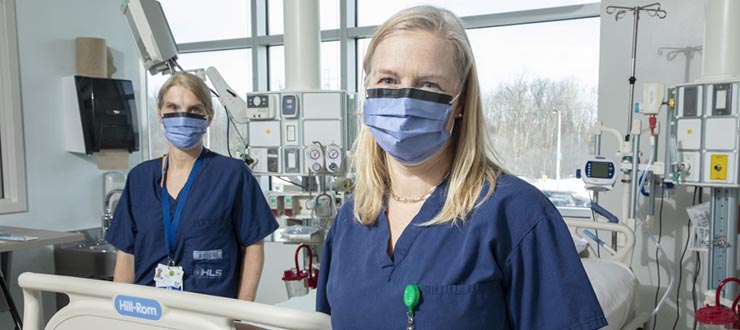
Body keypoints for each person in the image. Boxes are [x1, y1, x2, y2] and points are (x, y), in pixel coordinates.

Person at [315, 6, 607, 329]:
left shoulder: (517, 215)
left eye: (429, 85)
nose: (405, 101)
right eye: (388, 79)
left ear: (460, 102)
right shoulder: (350, 222)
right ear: (367, 93)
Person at [106, 72, 278, 300]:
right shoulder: (140, 178)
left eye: (194, 109)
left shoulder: (232, 175)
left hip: (209, 311)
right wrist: (120, 313)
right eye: (173, 107)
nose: (183, 116)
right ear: (160, 114)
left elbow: (254, 247)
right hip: (149, 311)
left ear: (209, 117)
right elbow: (126, 252)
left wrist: (241, 314)